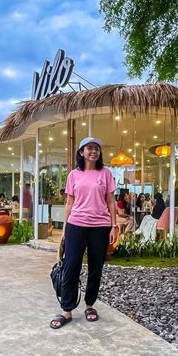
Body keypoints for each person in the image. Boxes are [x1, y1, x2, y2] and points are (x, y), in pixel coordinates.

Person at [50, 137, 118, 329]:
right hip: (76, 224)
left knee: (96, 266)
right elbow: (69, 203)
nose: (93, 151)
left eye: (96, 148)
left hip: (100, 226)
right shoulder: (74, 175)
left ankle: (90, 305)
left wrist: (114, 226)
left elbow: (111, 201)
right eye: (89, 148)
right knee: (71, 266)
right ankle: (67, 309)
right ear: (81, 152)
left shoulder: (105, 173)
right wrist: (64, 229)